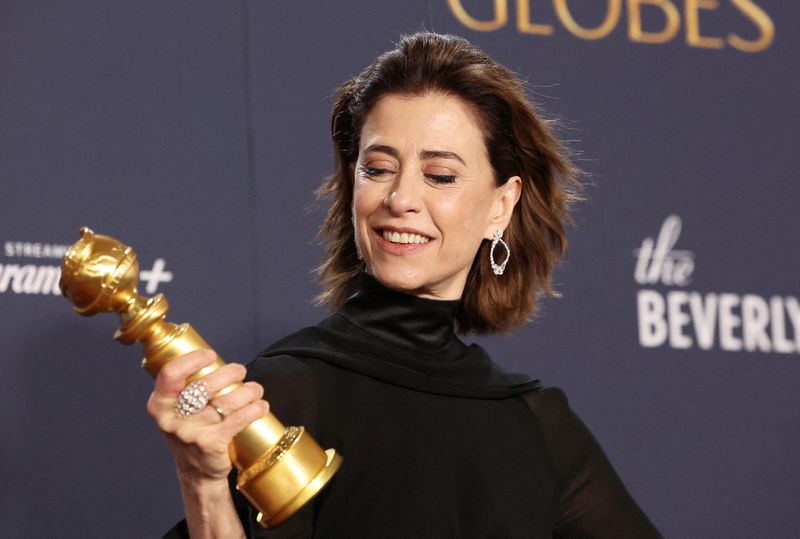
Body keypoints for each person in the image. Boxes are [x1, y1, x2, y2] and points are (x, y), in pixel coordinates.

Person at [155, 32, 662, 538]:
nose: (400, 198)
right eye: (378, 168)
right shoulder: (290, 391)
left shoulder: (537, 423)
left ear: (501, 205)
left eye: (439, 175)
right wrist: (202, 482)